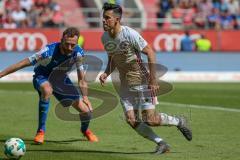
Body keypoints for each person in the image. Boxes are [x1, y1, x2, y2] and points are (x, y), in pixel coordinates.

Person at [99, 3, 192, 154]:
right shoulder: (104, 38)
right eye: (103, 18)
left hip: (141, 81)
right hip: (125, 84)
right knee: (132, 120)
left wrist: (153, 80)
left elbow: (150, 52)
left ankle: (179, 121)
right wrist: (106, 73)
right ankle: (162, 144)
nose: (104, 21)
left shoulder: (130, 34)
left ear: (117, 19)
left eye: (107, 18)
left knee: (150, 119)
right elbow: (113, 59)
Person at [0, 27, 98, 144]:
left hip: (61, 80)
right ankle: (41, 131)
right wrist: (1, 74)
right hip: (42, 77)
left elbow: (81, 79)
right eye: (67, 44)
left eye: (73, 45)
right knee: (47, 90)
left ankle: (85, 130)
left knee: (87, 112)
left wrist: (85, 98)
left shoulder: (78, 53)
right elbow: (24, 63)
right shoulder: (47, 52)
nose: (69, 48)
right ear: (61, 40)